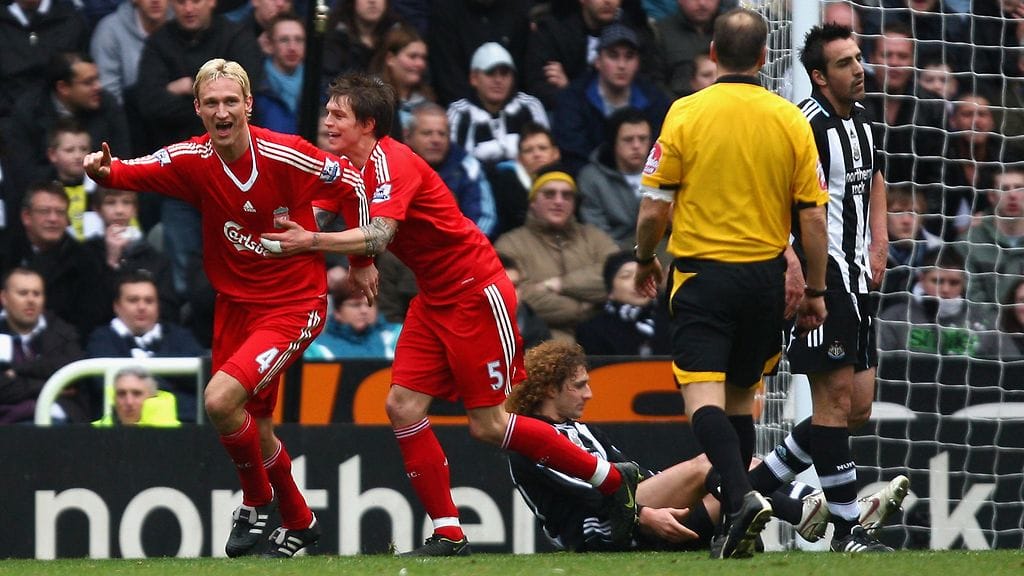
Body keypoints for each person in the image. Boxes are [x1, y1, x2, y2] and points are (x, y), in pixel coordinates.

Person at [260, 71, 641, 557]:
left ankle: (610, 480)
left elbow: (376, 232)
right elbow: (340, 212)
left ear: (368, 123)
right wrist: (321, 247)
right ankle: (449, 533)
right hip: (434, 297)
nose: (328, 121)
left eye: (339, 114)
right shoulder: (350, 168)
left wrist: (314, 242)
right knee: (402, 406)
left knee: (488, 425)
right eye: (328, 112)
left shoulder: (393, 162)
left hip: (477, 294)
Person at [83, 58, 369, 559]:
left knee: (218, 401)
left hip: (293, 303)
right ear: (198, 109)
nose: (222, 111)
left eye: (230, 101)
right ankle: (300, 521)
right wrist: (106, 173)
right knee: (252, 424)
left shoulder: (288, 155)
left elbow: (353, 184)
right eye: (211, 103)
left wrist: (362, 258)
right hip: (235, 305)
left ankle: (256, 500)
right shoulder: (192, 159)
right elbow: (136, 170)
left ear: (248, 105)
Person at [632, 8, 828, 559]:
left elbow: (653, 208)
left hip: (703, 276)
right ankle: (737, 531)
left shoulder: (686, 114)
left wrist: (645, 257)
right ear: (766, 57)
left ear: (712, 54)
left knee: (703, 401)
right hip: (765, 282)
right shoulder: (790, 119)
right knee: (742, 403)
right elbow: (813, 217)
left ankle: (742, 499)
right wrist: (813, 289)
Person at [507, 340, 908, 552]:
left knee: (735, 486)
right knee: (710, 466)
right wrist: (646, 514)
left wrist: (653, 502)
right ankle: (817, 510)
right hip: (596, 530)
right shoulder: (531, 438)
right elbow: (587, 495)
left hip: (629, 508)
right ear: (547, 388)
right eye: (579, 385)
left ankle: (819, 511)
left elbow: (626, 470)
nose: (590, 394)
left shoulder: (580, 428)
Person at [741, 22, 895, 554]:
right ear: (818, 76)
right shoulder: (801, 126)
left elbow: (875, 177)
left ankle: (748, 490)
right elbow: (769, 195)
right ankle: (848, 532)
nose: (859, 70)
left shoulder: (866, 123)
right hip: (819, 284)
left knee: (857, 408)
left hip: (859, 281)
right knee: (831, 403)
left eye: (858, 59)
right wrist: (792, 263)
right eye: (846, 63)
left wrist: (880, 239)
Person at [494, 165, 620, 343]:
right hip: (542, 345)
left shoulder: (594, 237)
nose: (559, 201)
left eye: (567, 195)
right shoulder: (510, 245)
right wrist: (585, 308)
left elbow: (619, 275)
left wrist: (560, 284)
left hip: (604, 340)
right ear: (532, 202)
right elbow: (522, 298)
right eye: (549, 194)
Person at [551, 23, 670, 176]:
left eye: (629, 56)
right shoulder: (573, 99)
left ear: (638, 63)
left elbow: (663, 149)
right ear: (598, 61)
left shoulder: (655, 99)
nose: (622, 65)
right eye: (613, 56)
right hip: (593, 185)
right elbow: (573, 153)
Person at [85, 271, 204, 421]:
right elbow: (103, 385)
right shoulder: (101, 339)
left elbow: (202, 383)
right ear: (116, 306)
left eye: (149, 301)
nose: (142, 307)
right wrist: (170, 382)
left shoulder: (180, 337)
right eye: (133, 300)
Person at [1, 182, 109, 346]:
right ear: (26, 217)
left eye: (60, 212)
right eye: (45, 211)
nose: (53, 219)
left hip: (61, 350)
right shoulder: (4, 250)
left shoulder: (86, 261)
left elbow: (90, 320)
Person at [0, 268, 88, 424]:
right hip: (11, 428)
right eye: (23, 293)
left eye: (36, 294)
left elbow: (73, 370)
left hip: (63, 425)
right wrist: (51, 387)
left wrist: (18, 371)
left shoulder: (61, 330)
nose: (31, 300)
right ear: (4, 298)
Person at [446, 42, 550, 171]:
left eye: (505, 73)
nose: (498, 80)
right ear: (474, 78)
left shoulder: (530, 106)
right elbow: (451, 164)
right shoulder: (459, 112)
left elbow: (546, 156)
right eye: (490, 73)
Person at [83, 187, 178, 323]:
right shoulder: (85, 254)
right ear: (97, 210)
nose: (119, 210)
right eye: (110, 203)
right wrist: (112, 262)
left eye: (126, 203)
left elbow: (169, 312)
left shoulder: (155, 258)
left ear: (135, 210)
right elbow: (88, 311)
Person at [404, 102, 497, 238]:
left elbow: (485, 218)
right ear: (407, 136)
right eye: (427, 133)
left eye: (442, 134)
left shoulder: (467, 166)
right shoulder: (390, 164)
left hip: (458, 247)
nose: (436, 140)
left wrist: (462, 247)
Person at [577, 107, 653, 248]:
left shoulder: (664, 174)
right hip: (614, 256)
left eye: (643, 139)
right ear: (614, 143)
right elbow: (597, 234)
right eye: (628, 140)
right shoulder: (592, 178)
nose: (636, 146)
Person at [575, 251, 669, 357]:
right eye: (626, 276)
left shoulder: (675, 318)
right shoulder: (591, 330)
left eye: (645, 275)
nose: (638, 281)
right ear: (610, 291)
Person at [90, 0, 172, 107]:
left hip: (179, 114)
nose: (155, 1)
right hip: (129, 117)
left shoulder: (184, 23)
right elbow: (109, 94)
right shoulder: (109, 32)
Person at [488, 122, 562, 237]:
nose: (537, 154)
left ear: (556, 153)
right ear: (519, 159)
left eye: (543, 148)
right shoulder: (505, 188)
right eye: (528, 150)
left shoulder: (572, 181)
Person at [304, 283, 402, 360]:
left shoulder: (396, 337)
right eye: (355, 305)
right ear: (337, 312)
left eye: (370, 304)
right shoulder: (317, 349)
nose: (364, 311)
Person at [253, 13, 306, 135]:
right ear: (270, 45)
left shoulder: (317, 86)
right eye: (284, 40)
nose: (292, 47)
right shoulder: (255, 85)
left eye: (298, 40)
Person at [92, 366, 181, 427]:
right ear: (114, 398)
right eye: (121, 394)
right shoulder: (92, 434)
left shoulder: (179, 436)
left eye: (137, 394)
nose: (129, 402)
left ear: (152, 397)